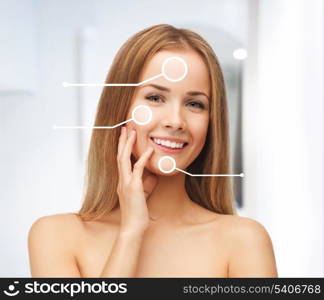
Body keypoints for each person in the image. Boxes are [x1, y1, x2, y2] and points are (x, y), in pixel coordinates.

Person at [28, 24, 277, 277]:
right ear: (119, 109)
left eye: (194, 104)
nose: (176, 121)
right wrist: (131, 233)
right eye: (155, 98)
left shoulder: (244, 241)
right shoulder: (55, 236)